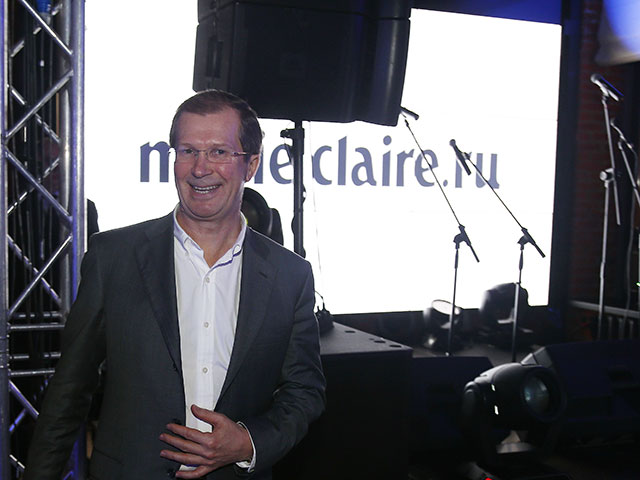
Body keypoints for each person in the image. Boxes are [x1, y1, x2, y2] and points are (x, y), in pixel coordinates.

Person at [24, 90, 326, 479]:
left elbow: (305, 392)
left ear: (251, 164)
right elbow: (68, 392)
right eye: (187, 151)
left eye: (219, 152)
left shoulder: (290, 275)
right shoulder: (114, 258)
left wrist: (249, 442)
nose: (200, 168)